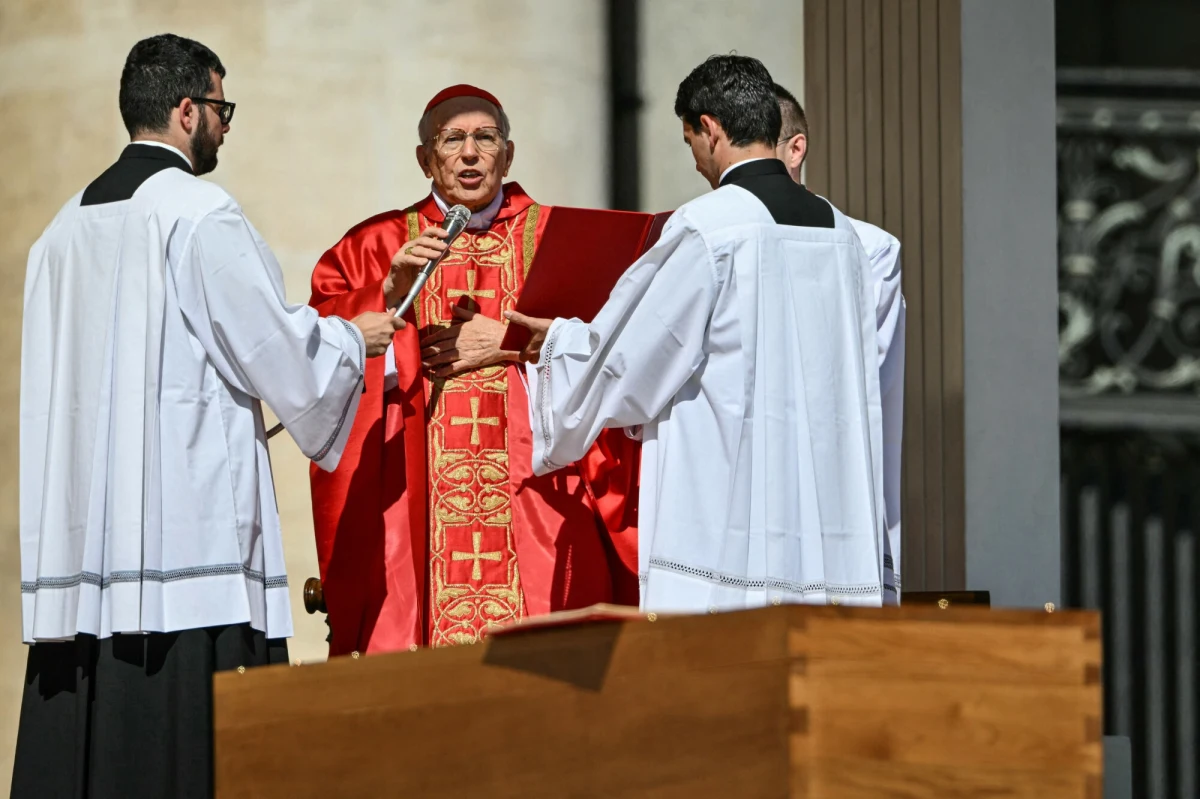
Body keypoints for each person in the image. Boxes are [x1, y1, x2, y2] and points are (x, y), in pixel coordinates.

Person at [15, 34, 400, 799]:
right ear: (187, 110)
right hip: (187, 555)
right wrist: (352, 338)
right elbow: (274, 348)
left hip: (82, 553)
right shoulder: (199, 213)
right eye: (223, 108)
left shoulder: (58, 232)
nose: (226, 126)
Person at [507, 54, 888, 613]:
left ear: (709, 129)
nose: (695, 163)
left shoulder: (710, 226)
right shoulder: (843, 234)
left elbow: (631, 361)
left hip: (730, 520)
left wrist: (560, 344)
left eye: (689, 142)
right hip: (828, 519)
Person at [308, 85, 637, 654]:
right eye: (452, 139)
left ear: (508, 155)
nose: (469, 153)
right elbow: (315, 355)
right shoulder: (373, 246)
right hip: (413, 499)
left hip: (538, 497)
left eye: (485, 138)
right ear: (425, 158)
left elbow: (620, 352)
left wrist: (510, 346)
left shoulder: (561, 239)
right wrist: (389, 297)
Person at [774, 82, 904, 600]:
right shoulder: (707, 234)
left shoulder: (868, 249)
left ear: (795, 149)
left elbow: (864, 377)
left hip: (831, 482)